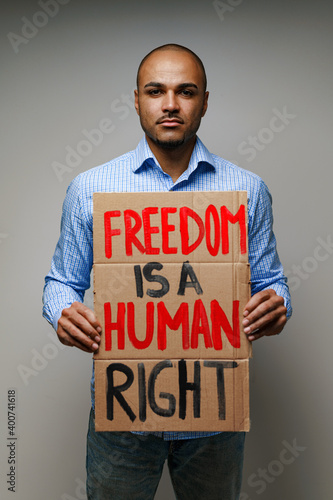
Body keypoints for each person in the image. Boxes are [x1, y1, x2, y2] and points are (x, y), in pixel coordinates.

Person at [43, 44, 292, 500]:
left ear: (205, 102)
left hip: (214, 422)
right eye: (156, 91)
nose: (171, 104)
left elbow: (272, 282)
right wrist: (63, 312)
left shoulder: (248, 190)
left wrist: (277, 306)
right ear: (136, 100)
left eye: (186, 91)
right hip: (122, 419)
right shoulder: (91, 189)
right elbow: (61, 281)